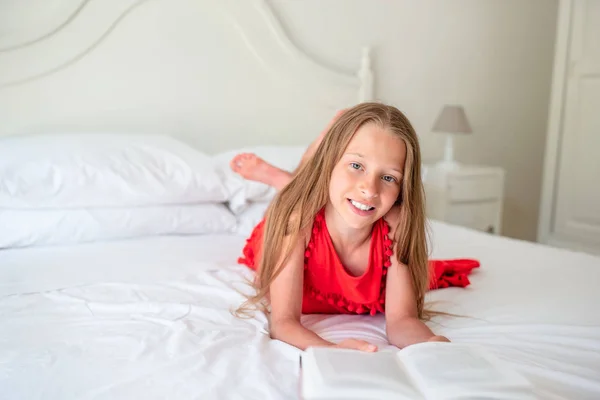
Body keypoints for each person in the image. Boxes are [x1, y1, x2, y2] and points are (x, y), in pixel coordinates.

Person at [231, 102, 451, 352]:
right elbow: (283, 323)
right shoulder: (296, 223)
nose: (370, 189)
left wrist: (429, 343)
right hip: (294, 218)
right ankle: (291, 178)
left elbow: (402, 320)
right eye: (356, 166)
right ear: (331, 163)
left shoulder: (395, 229)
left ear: (402, 190)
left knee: (302, 199)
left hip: (327, 202)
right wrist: (330, 348)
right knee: (289, 205)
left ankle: (297, 181)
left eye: (388, 177)